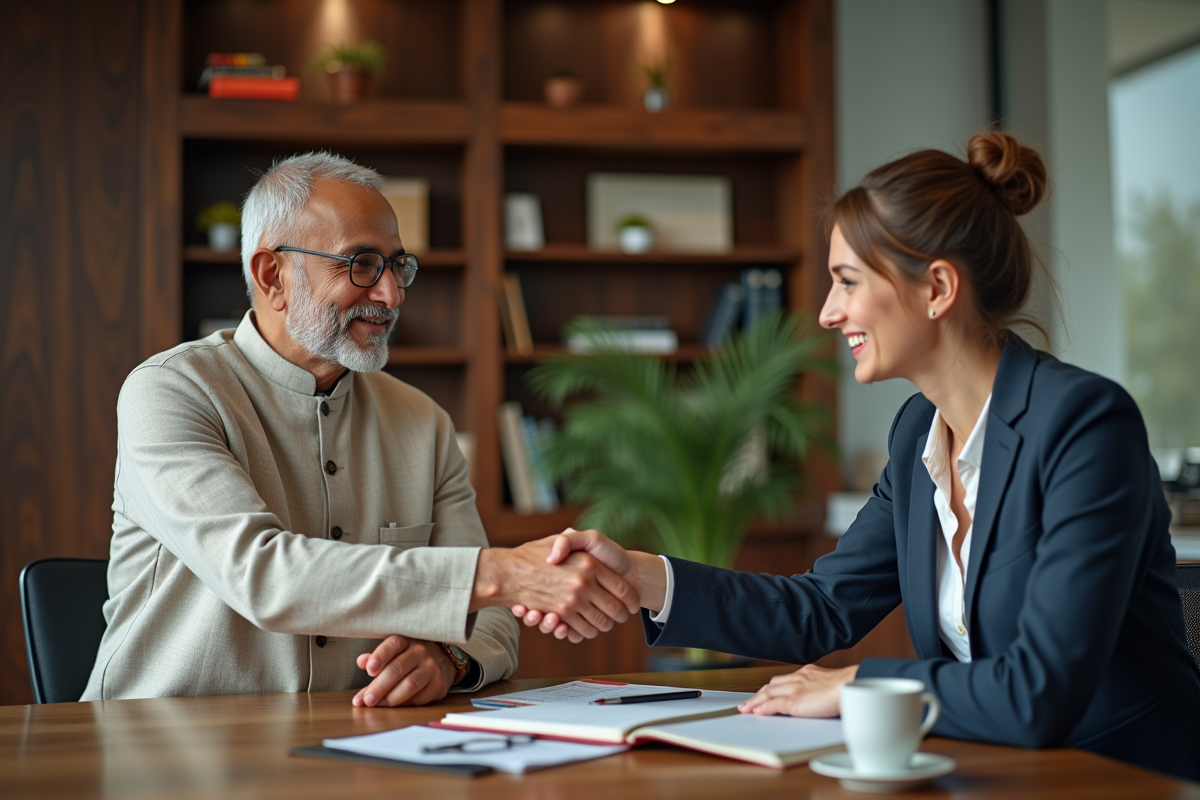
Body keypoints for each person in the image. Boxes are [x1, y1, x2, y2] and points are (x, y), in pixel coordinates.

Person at [512, 132, 1200, 780]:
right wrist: (641, 577)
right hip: (994, 774)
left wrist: (856, 684)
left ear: (936, 288)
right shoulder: (917, 435)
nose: (826, 314)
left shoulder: (1084, 424)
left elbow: (1039, 689)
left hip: (1120, 777)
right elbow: (821, 610)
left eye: (847, 281)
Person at [82, 152, 637, 706]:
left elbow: (491, 618)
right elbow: (263, 575)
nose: (390, 296)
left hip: (358, 743)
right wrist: (504, 571)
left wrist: (449, 658)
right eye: (360, 264)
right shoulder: (170, 392)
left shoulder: (424, 423)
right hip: (159, 747)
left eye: (397, 266)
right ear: (271, 275)